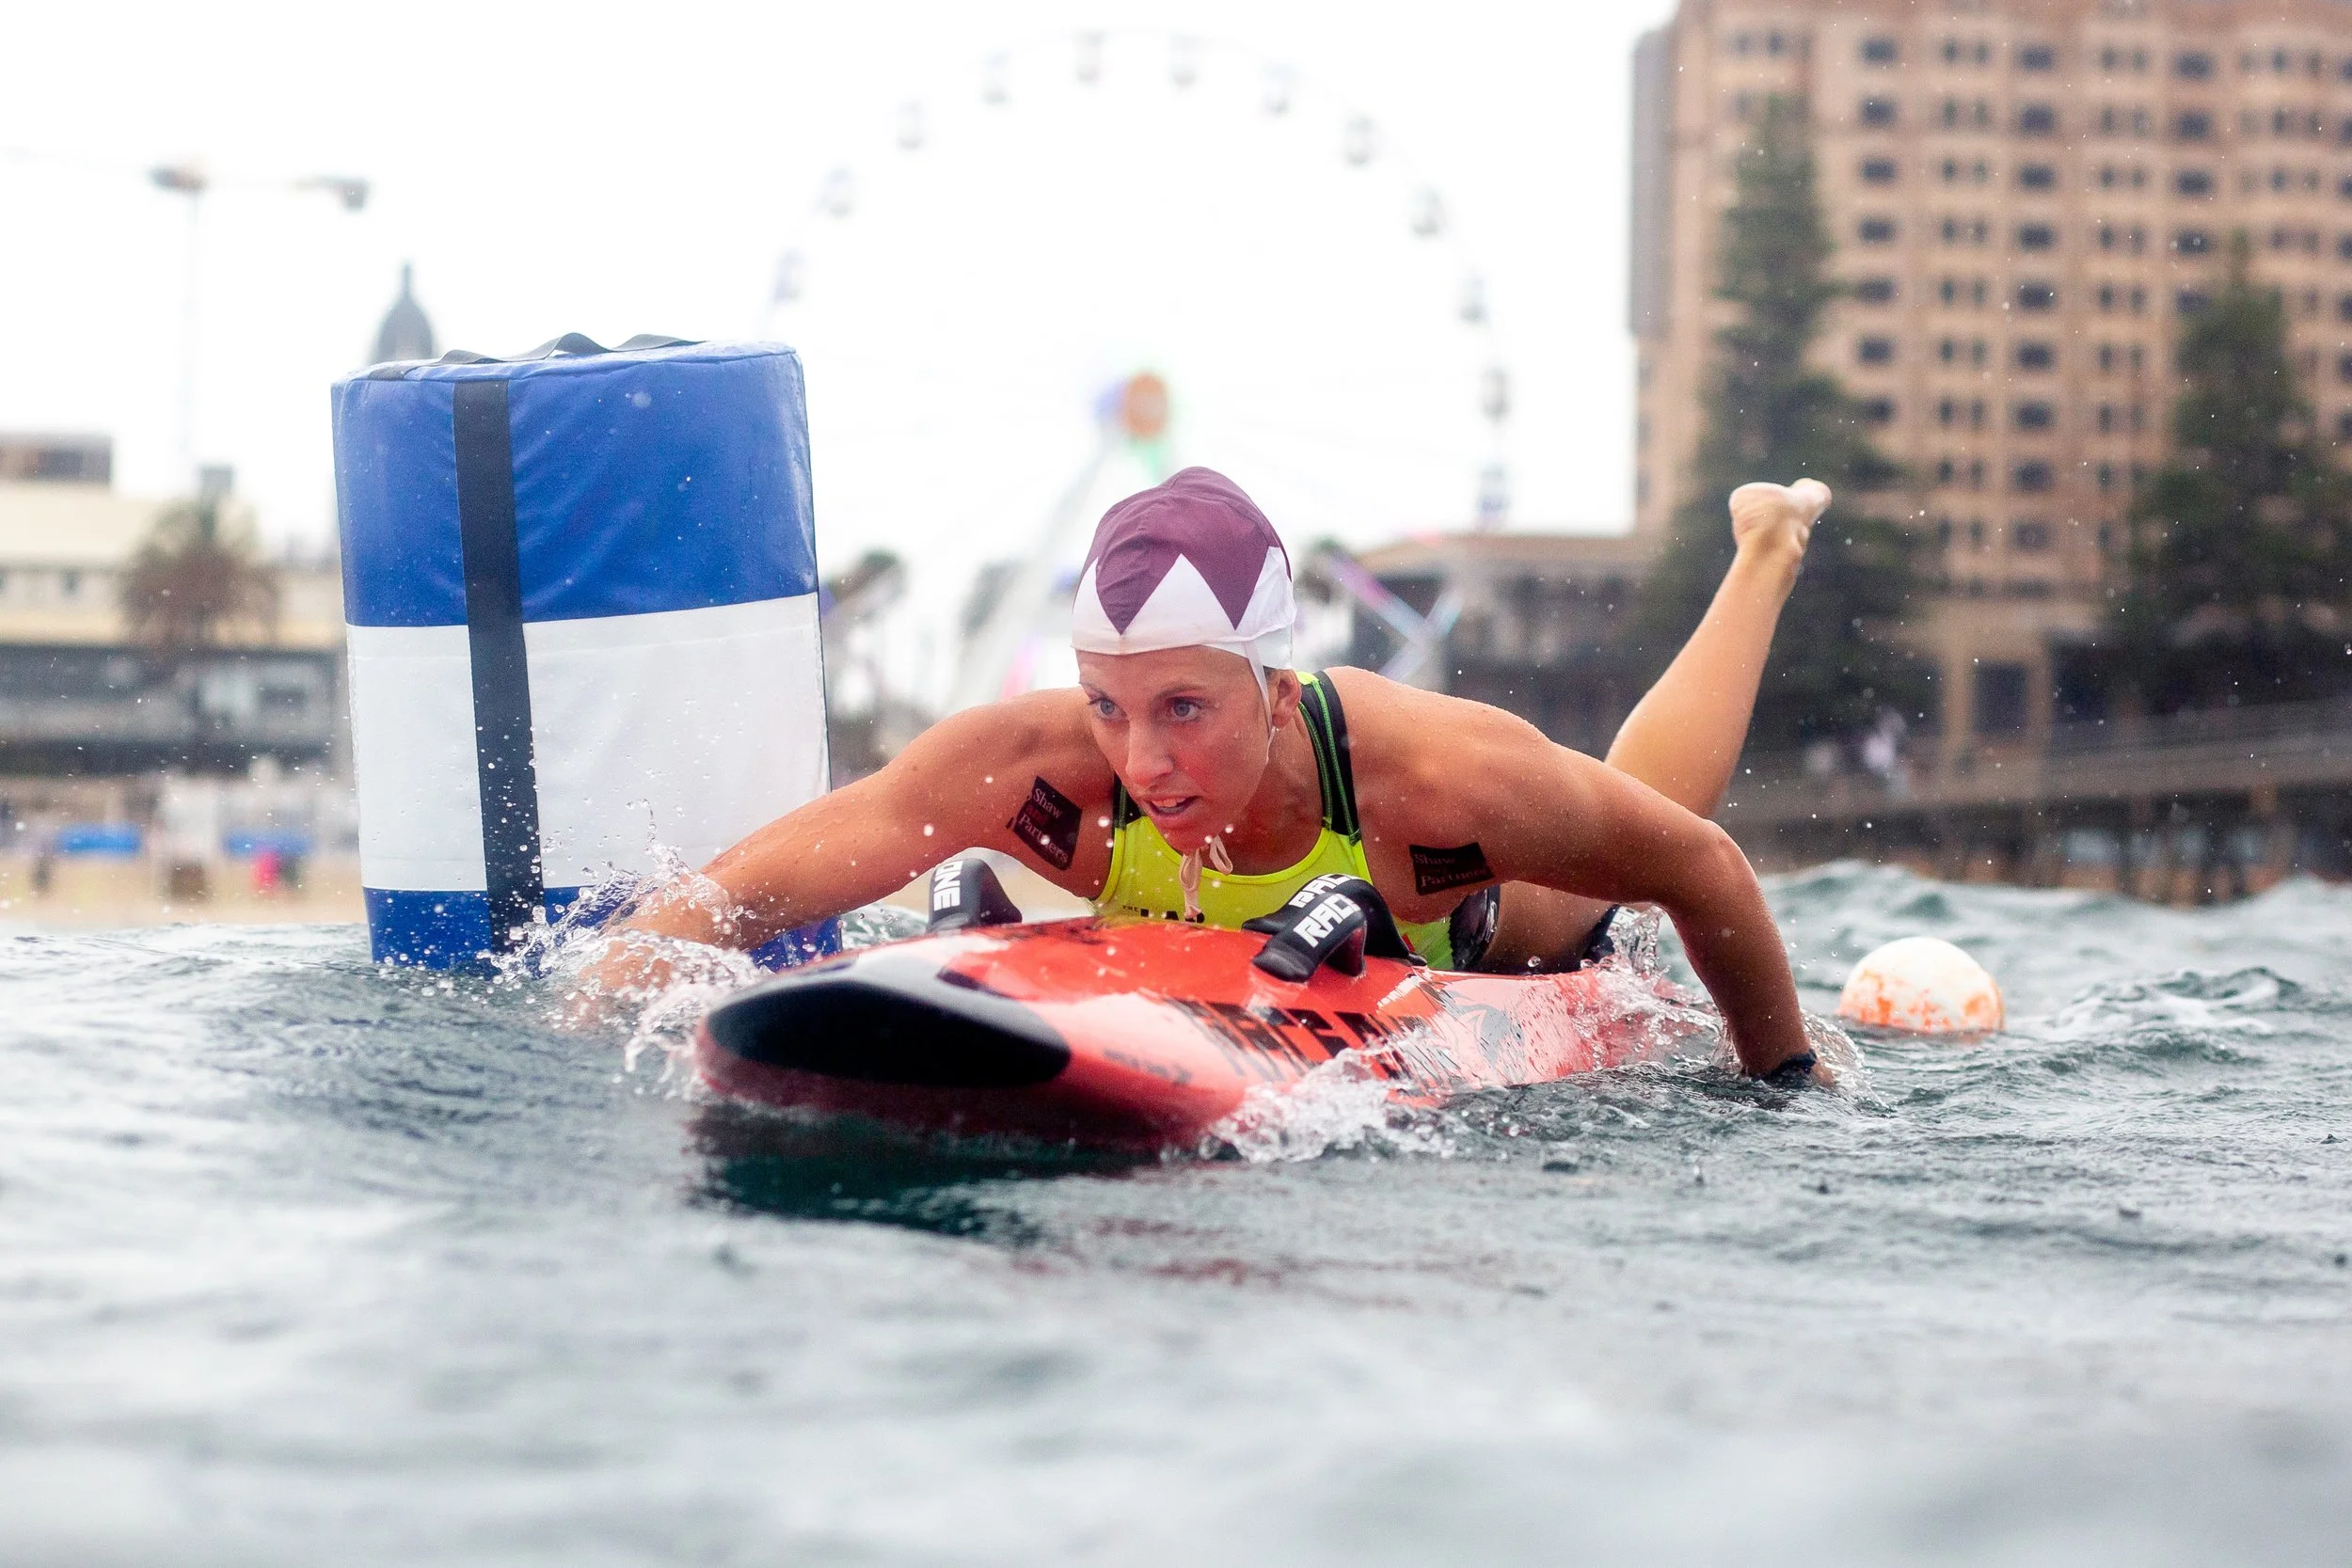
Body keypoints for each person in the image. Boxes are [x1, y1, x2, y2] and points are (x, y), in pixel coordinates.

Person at [593, 467, 1830, 1082]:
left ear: (1275, 691)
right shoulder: (1030, 772)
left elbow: (1702, 869)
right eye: (1110, 708)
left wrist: (1783, 1080)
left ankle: (1766, 553)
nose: (1143, 757)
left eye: (1185, 707)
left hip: (1458, 933)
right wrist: (585, 1007)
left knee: (1581, 892)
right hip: (1229, 987)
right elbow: (737, 890)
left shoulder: (1429, 774)